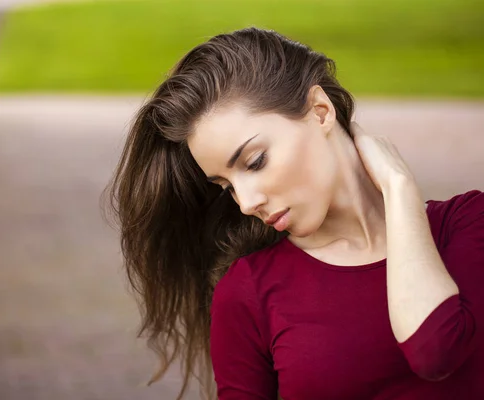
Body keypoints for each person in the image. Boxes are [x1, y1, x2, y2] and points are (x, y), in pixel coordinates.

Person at [103, 27, 484, 399]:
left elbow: (436, 351)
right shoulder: (248, 291)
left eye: (255, 162)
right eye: (226, 186)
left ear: (320, 112)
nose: (246, 202)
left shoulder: (468, 224)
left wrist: (399, 188)